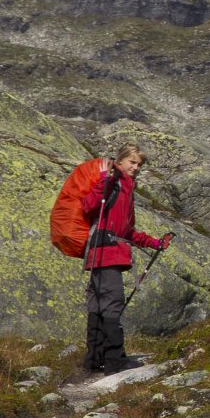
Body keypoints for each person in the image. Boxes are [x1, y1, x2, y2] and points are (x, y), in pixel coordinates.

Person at [82, 143, 171, 374]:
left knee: (98, 306)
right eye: (132, 162)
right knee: (112, 305)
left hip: (103, 254)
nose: (136, 167)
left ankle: (94, 360)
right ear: (120, 161)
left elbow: (127, 232)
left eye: (139, 164)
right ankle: (114, 361)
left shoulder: (125, 189)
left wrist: (154, 243)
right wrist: (106, 181)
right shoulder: (113, 183)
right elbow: (88, 205)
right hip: (106, 254)